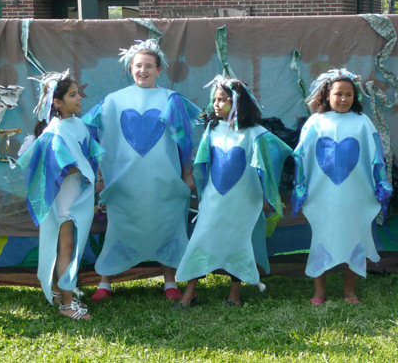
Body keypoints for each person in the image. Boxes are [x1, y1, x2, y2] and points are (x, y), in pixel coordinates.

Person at [82, 39, 201, 302]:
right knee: (119, 228)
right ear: (130, 68)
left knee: (168, 226)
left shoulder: (171, 100)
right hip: (124, 183)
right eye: (138, 66)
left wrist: (187, 172)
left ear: (160, 70)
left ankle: (170, 282)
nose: (142, 71)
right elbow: (93, 136)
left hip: (164, 182)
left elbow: (184, 141)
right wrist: (100, 175)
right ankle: (105, 282)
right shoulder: (113, 101)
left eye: (149, 66)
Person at [174, 76, 291, 308]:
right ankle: (190, 291)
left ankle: (234, 292)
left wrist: (268, 195)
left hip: (245, 200)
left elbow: (273, 158)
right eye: (214, 100)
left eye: (222, 100)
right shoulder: (212, 129)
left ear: (238, 103)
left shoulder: (255, 133)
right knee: (201, 238)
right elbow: (202, 163)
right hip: (214, 199)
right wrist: (200, 188)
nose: (216, 105)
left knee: (239, 240)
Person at [292, 69, 392, 305]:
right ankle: (319, 291)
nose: (344, 99)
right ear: (327, 95)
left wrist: (381, 183)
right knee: (321, 238)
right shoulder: (315, 122)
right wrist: (301, 186)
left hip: (355, 194)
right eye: (339, 94)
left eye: (349, 94)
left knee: (355, 237)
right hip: (322, 194)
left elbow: (377, 156)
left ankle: (350, 290)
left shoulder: (362, 122)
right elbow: (302, 157)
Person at [18, 71, 103, 321]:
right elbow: (60, 164)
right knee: (67, 246)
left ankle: (59, 290)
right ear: (57, 102)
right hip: (65, 196)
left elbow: (91, 153)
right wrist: (84, 168)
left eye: (78, 93)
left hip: (77, 192)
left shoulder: (78, 125)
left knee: (68, 244)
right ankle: (67, 303)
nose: (79, 98)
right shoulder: (54, 132)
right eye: (73, 95)